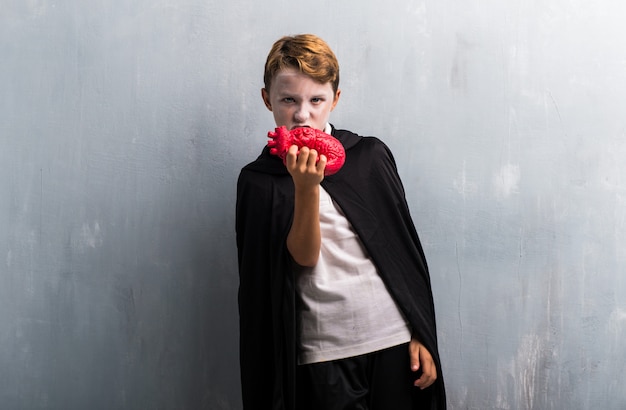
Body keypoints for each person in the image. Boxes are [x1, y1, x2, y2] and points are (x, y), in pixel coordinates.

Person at [236, 34, 446, 410]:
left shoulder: (369, 157)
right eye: (289, 100)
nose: (303, 115)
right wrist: (305, 190)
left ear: (335, 99)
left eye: (316, 100)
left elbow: (403, 256)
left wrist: (421, 332)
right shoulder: (259, 181)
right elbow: (299, 261)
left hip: (395, 344)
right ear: (267, 99)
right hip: (323, 355)